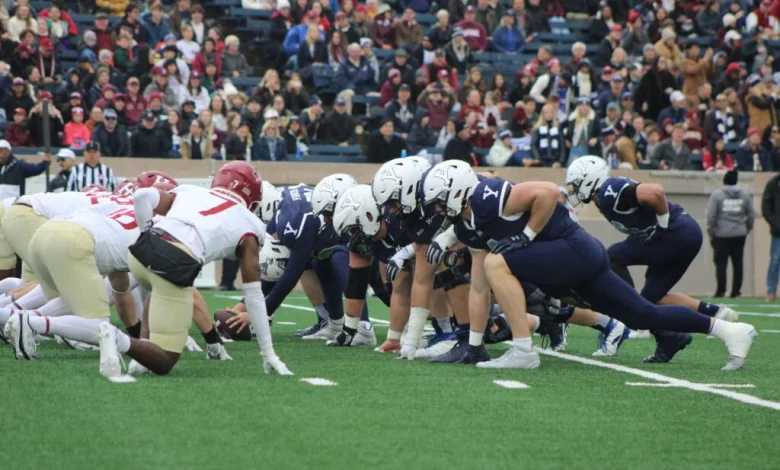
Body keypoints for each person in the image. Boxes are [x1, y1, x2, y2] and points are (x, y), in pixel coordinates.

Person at [420, 159, 756, 370]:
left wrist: (526, 233)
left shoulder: (488, 195)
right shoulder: (466, 224)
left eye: (437, 203)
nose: (436, 210)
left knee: (498, 262)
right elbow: (478, 287)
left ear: (456, 191)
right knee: (642, 314)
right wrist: (475, 345)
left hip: (574, 249)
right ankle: (730, 331)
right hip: (570, 262)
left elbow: (549, 192)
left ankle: (523, 350)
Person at [97, 162, 291, 377]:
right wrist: (268, 353)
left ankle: (140, 356)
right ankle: (117, 339)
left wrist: (146, 234)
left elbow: (141, 196)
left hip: (137, 253)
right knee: (165, 360)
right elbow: (254, 295)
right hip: (174, 261)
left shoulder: (189, 191)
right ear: (252, 196)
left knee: (157, 289)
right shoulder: (251, 225)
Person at [707, 170, 754, 298]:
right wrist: (747, 228)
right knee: (738, 263)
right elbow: (751, 214)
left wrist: (711, 231)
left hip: (721, 234)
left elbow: (711, 216)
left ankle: (721, 291)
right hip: (739, 234)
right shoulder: (745, 196)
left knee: (721, 263)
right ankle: (736, 292)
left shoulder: (717, 195)